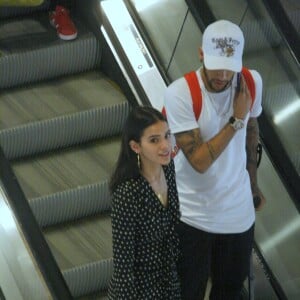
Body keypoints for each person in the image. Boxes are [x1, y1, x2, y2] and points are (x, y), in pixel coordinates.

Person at [164, 19, 266, 300]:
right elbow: (199, 161)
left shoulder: (251, 82)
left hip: (238, 216)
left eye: (229, 67)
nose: (222, 74)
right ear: (200, 54)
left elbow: (251, 135)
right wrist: (235, 120)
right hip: (193, 216)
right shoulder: (180, 94)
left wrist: (253, 187)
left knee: (230, 292)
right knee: (188, 293)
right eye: (215, 64)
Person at [108, 105, 181, 299]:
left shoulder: (168, 169)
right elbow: (123, 267)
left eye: (167, 135)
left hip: (168, 284)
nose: (165, 145)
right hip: (139, 291)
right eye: (154, 140)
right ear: (135, 146)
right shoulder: (128, 193)